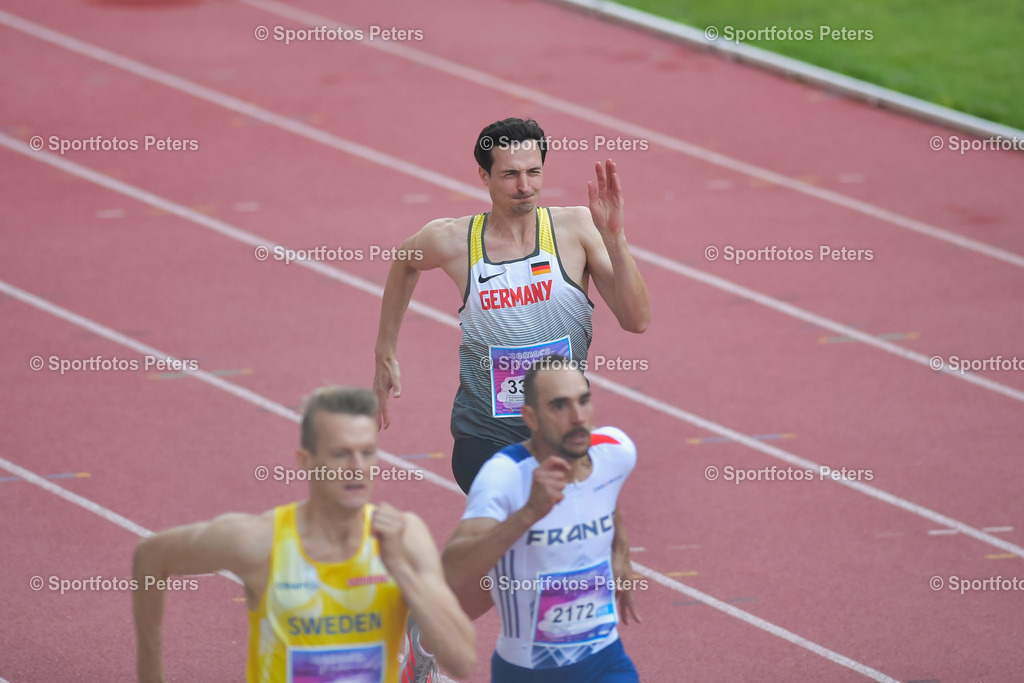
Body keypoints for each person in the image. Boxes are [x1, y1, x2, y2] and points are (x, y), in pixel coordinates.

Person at [373, 117, 649, 494]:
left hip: (561, 434)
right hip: (485, 439)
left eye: (534, 172)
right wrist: (385, 352)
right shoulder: (453, 240)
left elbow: (637, 320)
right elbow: (405, 261)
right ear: (484, 177)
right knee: (520, 529)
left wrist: (615, 239)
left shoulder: (577, 230)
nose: (524, 186)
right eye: (509, 175)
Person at [132, 386, 476, 683]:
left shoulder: (404, 537)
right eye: (341, 453)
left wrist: (400, 569)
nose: (357, 467)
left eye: (367, 453)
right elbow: (150, 558)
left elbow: (462, 660)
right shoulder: (259, 542)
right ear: (306, 460)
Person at [442, 356, 641, 682]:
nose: (578, 417)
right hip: (528, 672)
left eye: (584, 401)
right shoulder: (505, 474)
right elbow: (451, 571)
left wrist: (621, 551)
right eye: (559, 406)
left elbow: (607, 492)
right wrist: (529, 513)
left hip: (605, 663)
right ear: (530, 417)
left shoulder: (616, 452)